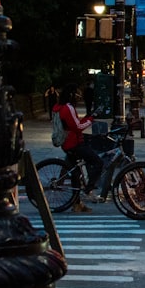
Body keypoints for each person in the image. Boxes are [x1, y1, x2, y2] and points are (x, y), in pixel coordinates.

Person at [53, 84, 103, 212]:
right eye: (77, 94)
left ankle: (77, 204)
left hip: (67, 144)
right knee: (98, 162)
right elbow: (78, 127)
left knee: (76, 174)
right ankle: (88, 189)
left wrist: (90, 115)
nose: (79, 97)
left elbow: (76, 123)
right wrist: (92, 119)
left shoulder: (60, 107)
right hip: (74, 143)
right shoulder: (68, 108)